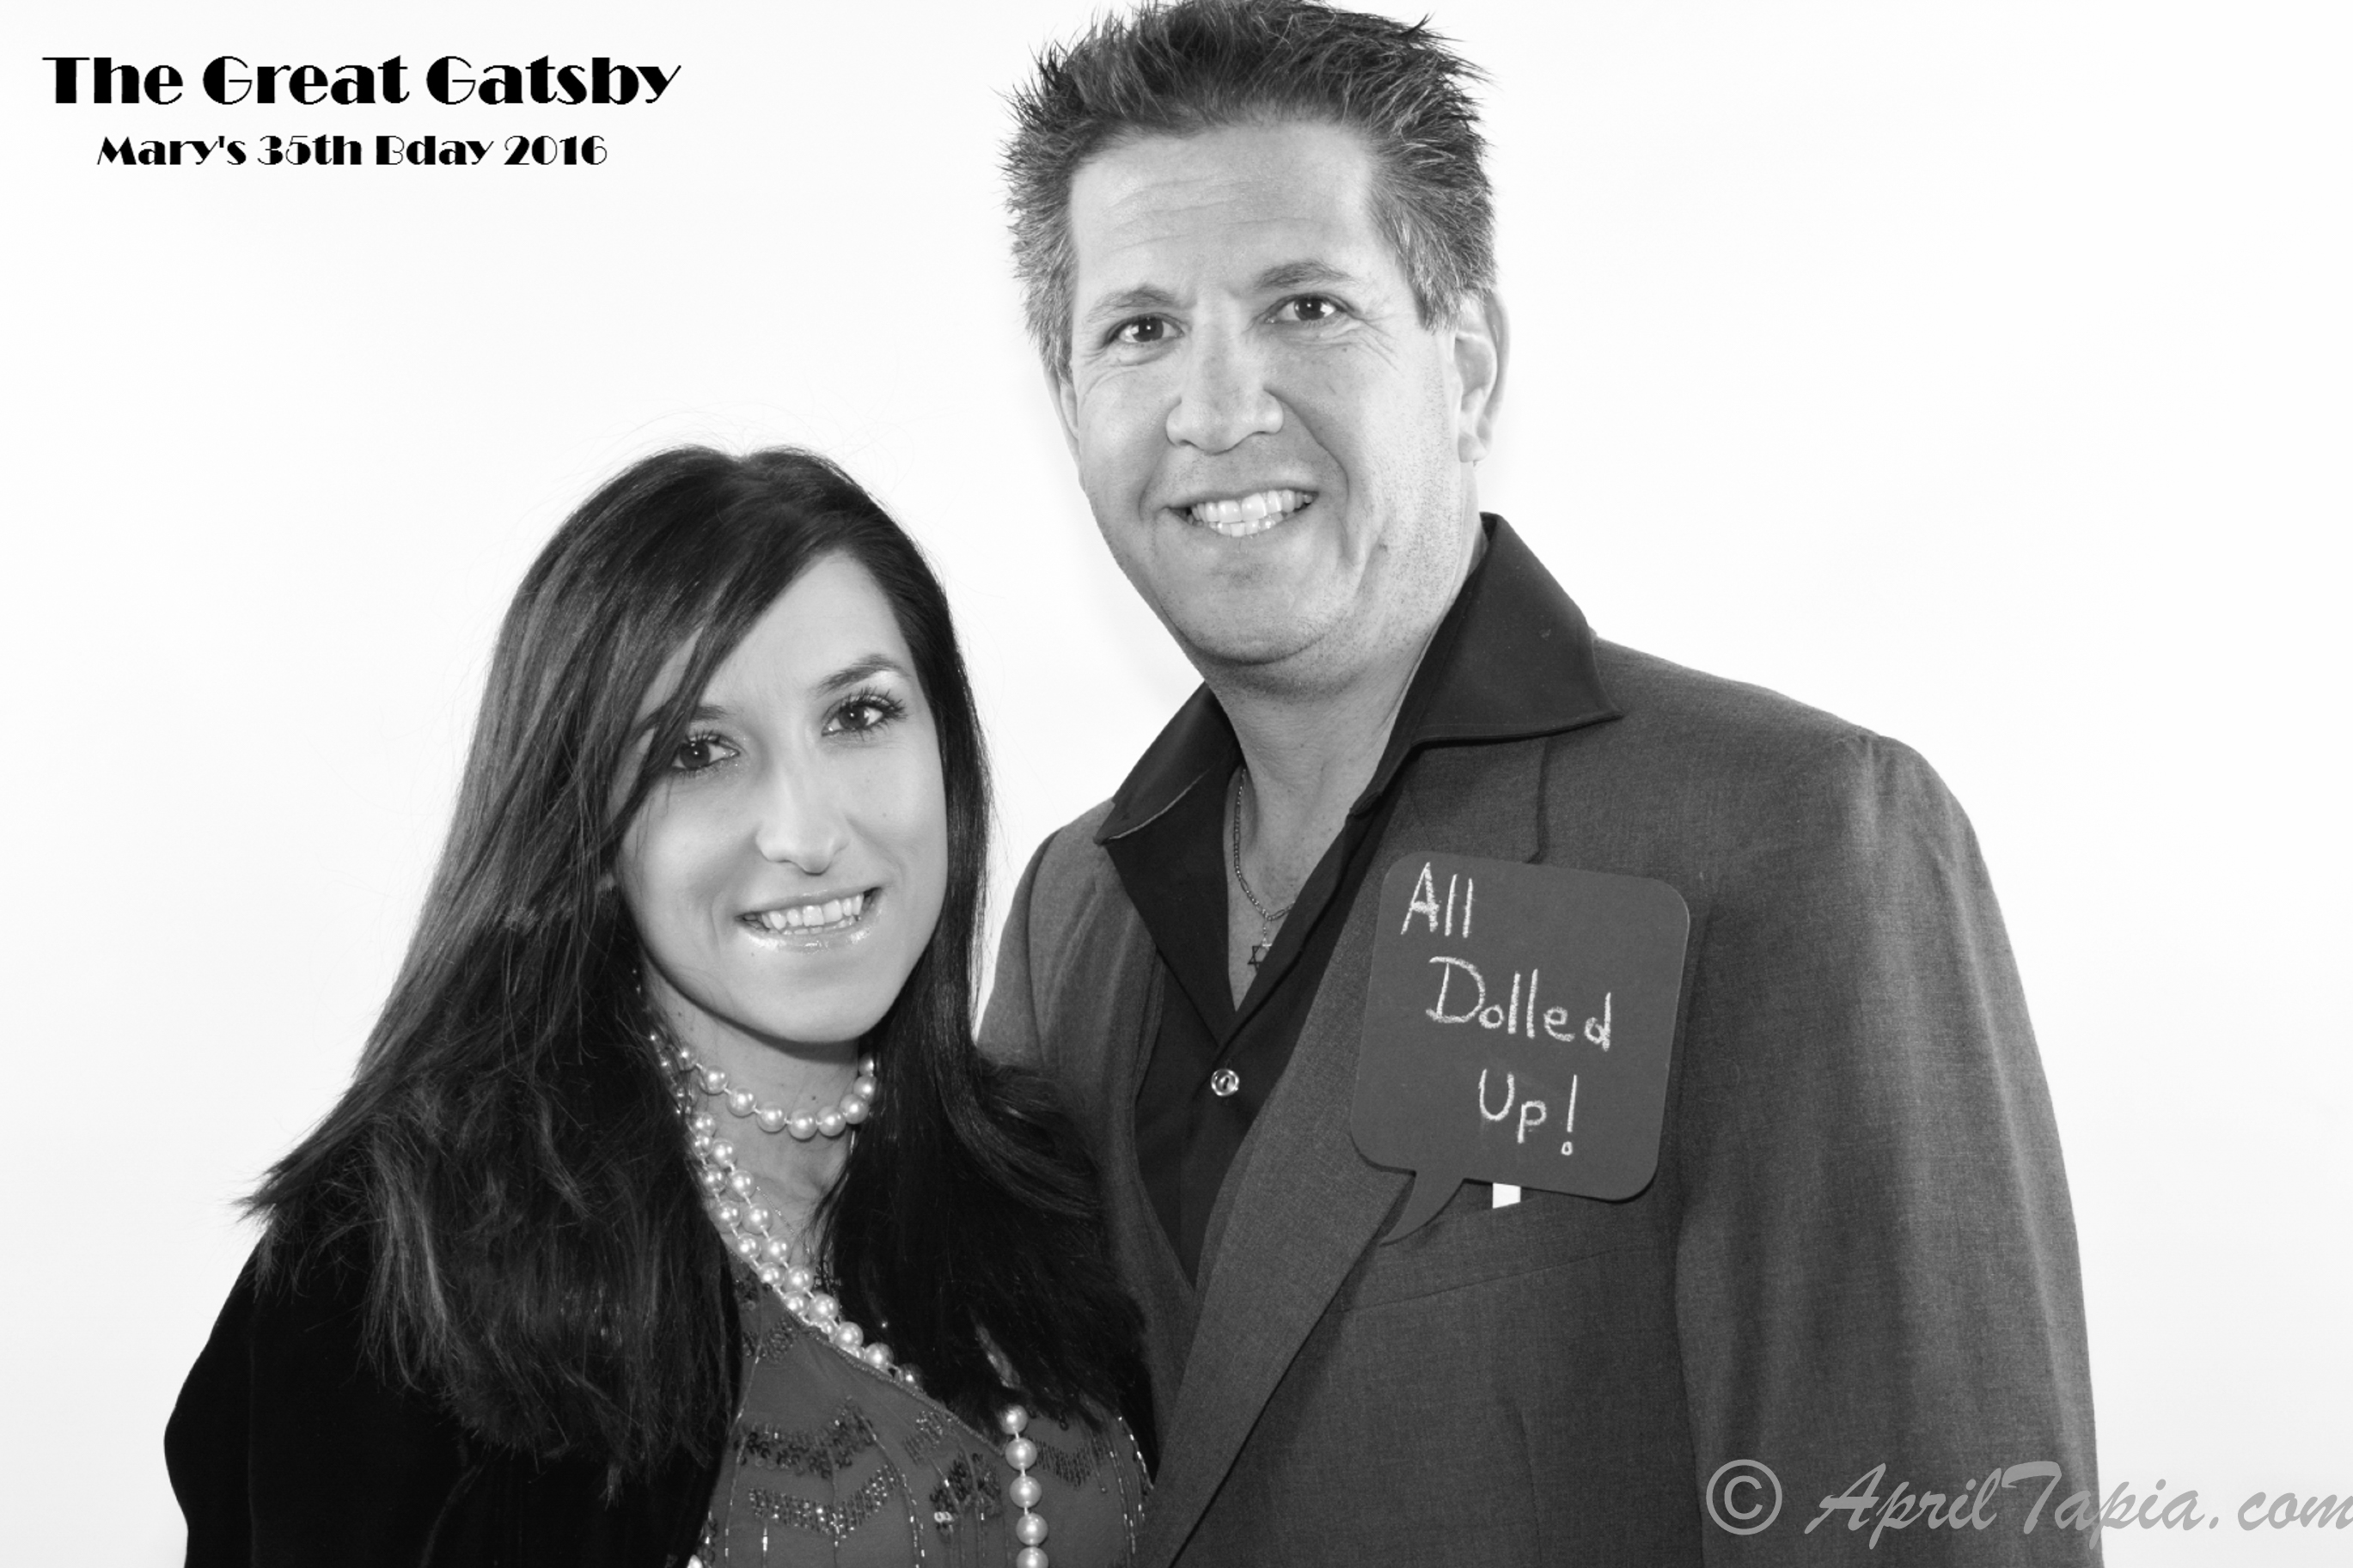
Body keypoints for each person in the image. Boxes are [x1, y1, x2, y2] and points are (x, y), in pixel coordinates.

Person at [983, 3, 2100, 1564]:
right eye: (1138, 329)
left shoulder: (1786, 838)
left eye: (1305, 305)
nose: (1217, 408)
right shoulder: (1067, 917)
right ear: (1071, 405)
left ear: (1466, 370)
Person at [166, 448, 1147, 1567]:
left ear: (948, 752)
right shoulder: (401, 1265)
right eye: (699, 750)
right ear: (583, 823)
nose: (807, 831)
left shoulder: (1038, 1177)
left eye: (860, 713)